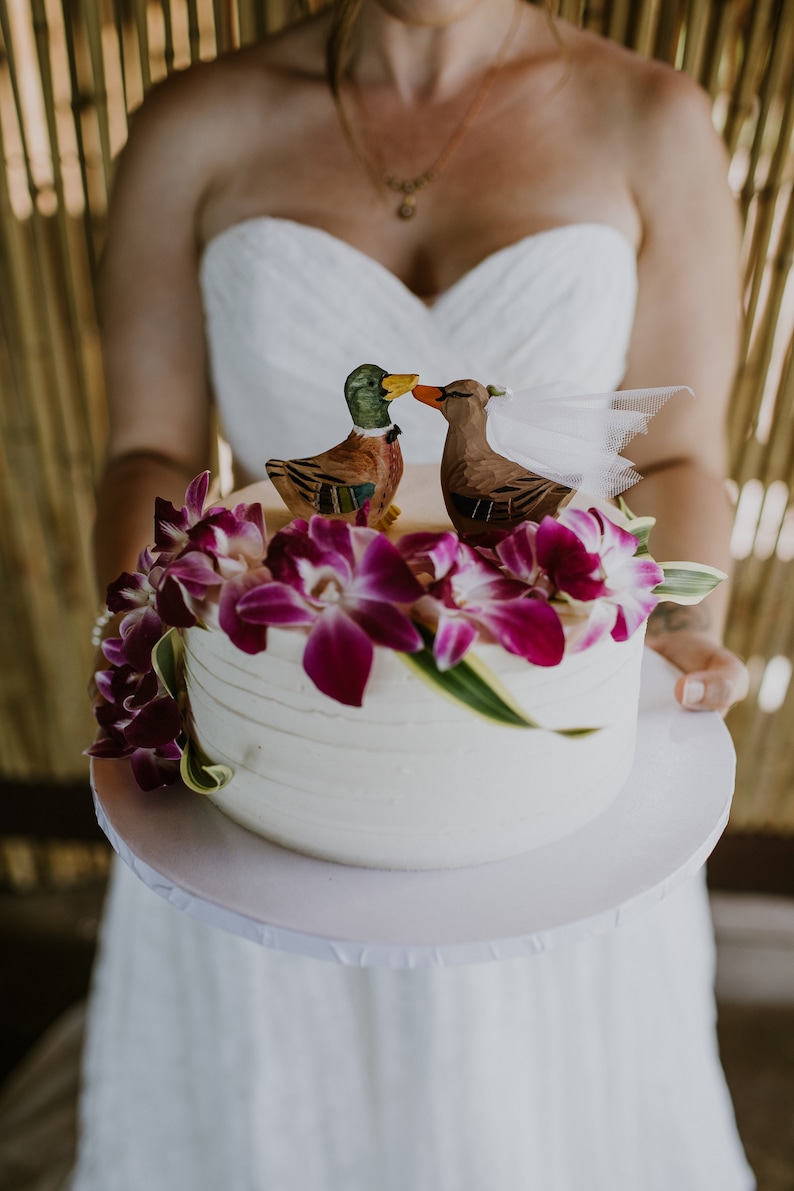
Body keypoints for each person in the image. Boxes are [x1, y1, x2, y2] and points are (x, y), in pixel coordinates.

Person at [74, 1, 754, 1187]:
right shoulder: (192, 126)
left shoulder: (650, 118)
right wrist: (187, 660)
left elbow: (683, 460)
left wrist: (673, 638)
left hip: (542, 747)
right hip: (280, 734)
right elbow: (146, 449)